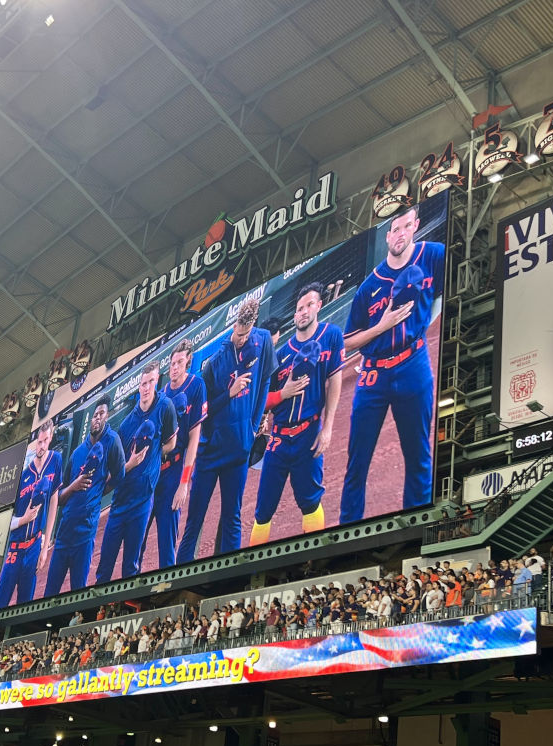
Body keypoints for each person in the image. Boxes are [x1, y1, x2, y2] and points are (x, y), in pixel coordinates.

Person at [339, 203, 445, 522]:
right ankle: (346, 532)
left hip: (414, 364)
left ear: (416, 225)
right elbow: (347, 342)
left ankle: (415, 526)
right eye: (394, 229)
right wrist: (381, 327)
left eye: (406, 226)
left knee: (419, 457)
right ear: (387, 236)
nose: (400, 234)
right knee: (357, 462)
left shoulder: (433, 255)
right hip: (374, 375)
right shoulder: (369, 286)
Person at [178, 295, 278, 561]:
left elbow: (265, 381)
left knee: (232, 517)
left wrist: (253, 426)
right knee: (194, 521)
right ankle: (178, 575)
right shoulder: (216, 361)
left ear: (253, 326)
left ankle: (228, 575)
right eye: (239, 332)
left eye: (246, 333)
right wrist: (229, 394)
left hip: (239, 449)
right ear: (234, 325)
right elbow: (205, 411)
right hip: (211, 453)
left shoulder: (263, 340)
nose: (242, 338)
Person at [250, 282, 345, 546]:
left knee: (310, 501)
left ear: (319, 306)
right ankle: (252, 563)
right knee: (263, 509)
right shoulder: (280, 354)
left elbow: (335, 380)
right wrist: (284, 393)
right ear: (294, 315)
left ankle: (313, 559)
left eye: (309, 305)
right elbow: (262, 401)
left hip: (309, 433)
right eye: (299, 308)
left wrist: (327, 428)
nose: (304, 312)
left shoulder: (331, 335)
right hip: (279, 439)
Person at [95, 361, 178, 583]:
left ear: (157, 381)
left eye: (151, 382)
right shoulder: (126, 426)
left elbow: (171, 443)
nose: (147, 387)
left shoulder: (165, 407)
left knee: (131, 567)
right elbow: (115, 471)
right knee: (104, 567)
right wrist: (132, 463)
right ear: (138, 386)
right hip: (120, 503)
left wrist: (155, 453)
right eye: (143, 383)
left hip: (143, 502)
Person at [43, 396, 126, 598]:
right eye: (95, 414)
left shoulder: (112, 441)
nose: (97, 418)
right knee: (49, 594)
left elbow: (119, 475)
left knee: (78, 594)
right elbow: (59, 498)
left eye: (101, 414)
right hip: (63, 536)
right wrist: (74, 486)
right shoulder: (77, 453)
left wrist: (98, 493)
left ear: (107, 416)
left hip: (85, 536)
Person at [146, 340, 207, 569]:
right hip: (154, 470)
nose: (175, 368)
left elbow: (194, 438)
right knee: (139, 535)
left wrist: (184, 483)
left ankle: (168, 583)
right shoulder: (161, 395)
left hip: (175, 470)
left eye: (180, 363)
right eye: (172, 363)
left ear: (188, 362)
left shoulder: (196, 386)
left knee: (167, 539)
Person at [0, 422, 63, 608]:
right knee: (0, 603)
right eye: (39, 442)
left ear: (51, 438)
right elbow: (4, 521)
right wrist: (23, 519)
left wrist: (45, 547)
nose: (42, 446)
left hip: (34, 546)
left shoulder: (56, 460)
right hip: (15, 548)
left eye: (45, 440)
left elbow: (54, 503)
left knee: (25, 605)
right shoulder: (23, 475)